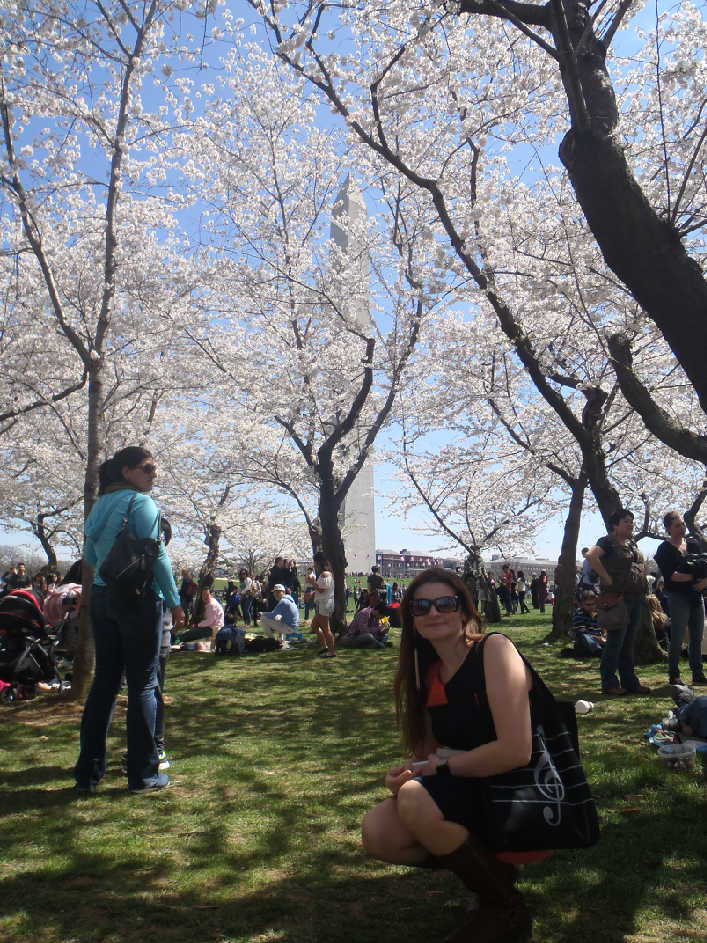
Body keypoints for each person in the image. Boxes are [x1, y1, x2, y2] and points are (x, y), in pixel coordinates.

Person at [360, 567, 534, 942]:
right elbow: (429, 753)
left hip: (518, 786)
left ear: (464, 610)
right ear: (411, 618)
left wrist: (439, 768)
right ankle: (494, 879)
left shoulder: (495, 650)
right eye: (421, 607)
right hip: (467, 782)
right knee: (379, 832)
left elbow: (517, 750)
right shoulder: (428, 672)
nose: (433, 613)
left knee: (416, 800)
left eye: (445, 603)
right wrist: (408, 772)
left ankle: (504, 908)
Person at [74, 446, 184, 795]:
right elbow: (159, 558)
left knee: (104, 683)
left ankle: (88, 774)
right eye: (147, 468)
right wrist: (175, 601)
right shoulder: (142, 504)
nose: (154, 474)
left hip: (103, 598)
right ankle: (143, 774)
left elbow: (91, 556)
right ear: (126, 471)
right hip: (137, 600)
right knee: (144, 685)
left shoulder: (99, 507)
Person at [585, 509, 650, 697]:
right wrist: (605, 577)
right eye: (626, 521)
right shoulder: (607, 542)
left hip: (635, 598)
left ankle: (630, 682)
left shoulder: (631, 543)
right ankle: (609, 683)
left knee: (628, 643)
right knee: (615, 642)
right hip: (617, 599)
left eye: (632, 521)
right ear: (615, 525)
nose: (630, 524)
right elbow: (591, 556)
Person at [654, 511, 707, 685]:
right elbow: (672, 576)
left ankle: (697, 674)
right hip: (678, 597)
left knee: (697, 637)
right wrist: (693, 578)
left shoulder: (693, 544)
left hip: (696, 596)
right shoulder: (664, 549)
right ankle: (674, 675)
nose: (682, 527)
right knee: (677, 637)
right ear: (669, 529)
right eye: (677, 525)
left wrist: (703, 582)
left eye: (683, 524)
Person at [309, 552, 336, 657]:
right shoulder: (324, 574)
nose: (314, 564)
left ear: (319, 563)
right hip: (323, 603)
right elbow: (322, 590)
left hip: (324, 604)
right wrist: (312, 593)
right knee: (314, 626)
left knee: (326, 628)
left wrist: (312, 583)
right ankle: (325, 647)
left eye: (315, 562)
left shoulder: (325, 574)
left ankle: (331, 651)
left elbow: (321, 589)